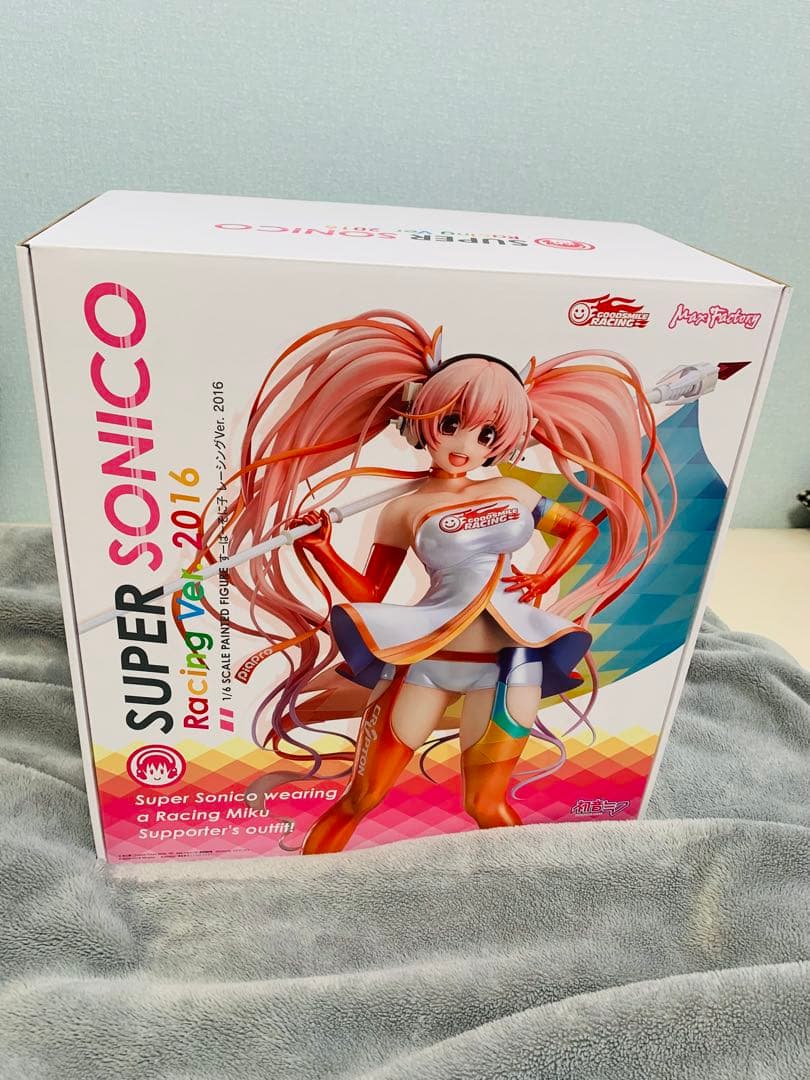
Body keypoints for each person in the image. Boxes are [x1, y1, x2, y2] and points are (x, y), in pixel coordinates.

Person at [203, 310, 675, 854]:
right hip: (425, 659)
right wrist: (323, 549)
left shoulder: (513, 492)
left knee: (486, 805)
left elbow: (580, 530)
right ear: (421, 418)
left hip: (510, 665)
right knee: (361, 797)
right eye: (451, 424)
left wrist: (546, 574)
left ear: (505, 439)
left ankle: (530, 893)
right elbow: (369, 594)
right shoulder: (403, 508)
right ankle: (306, 885)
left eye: (486, 433)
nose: (464, 443)